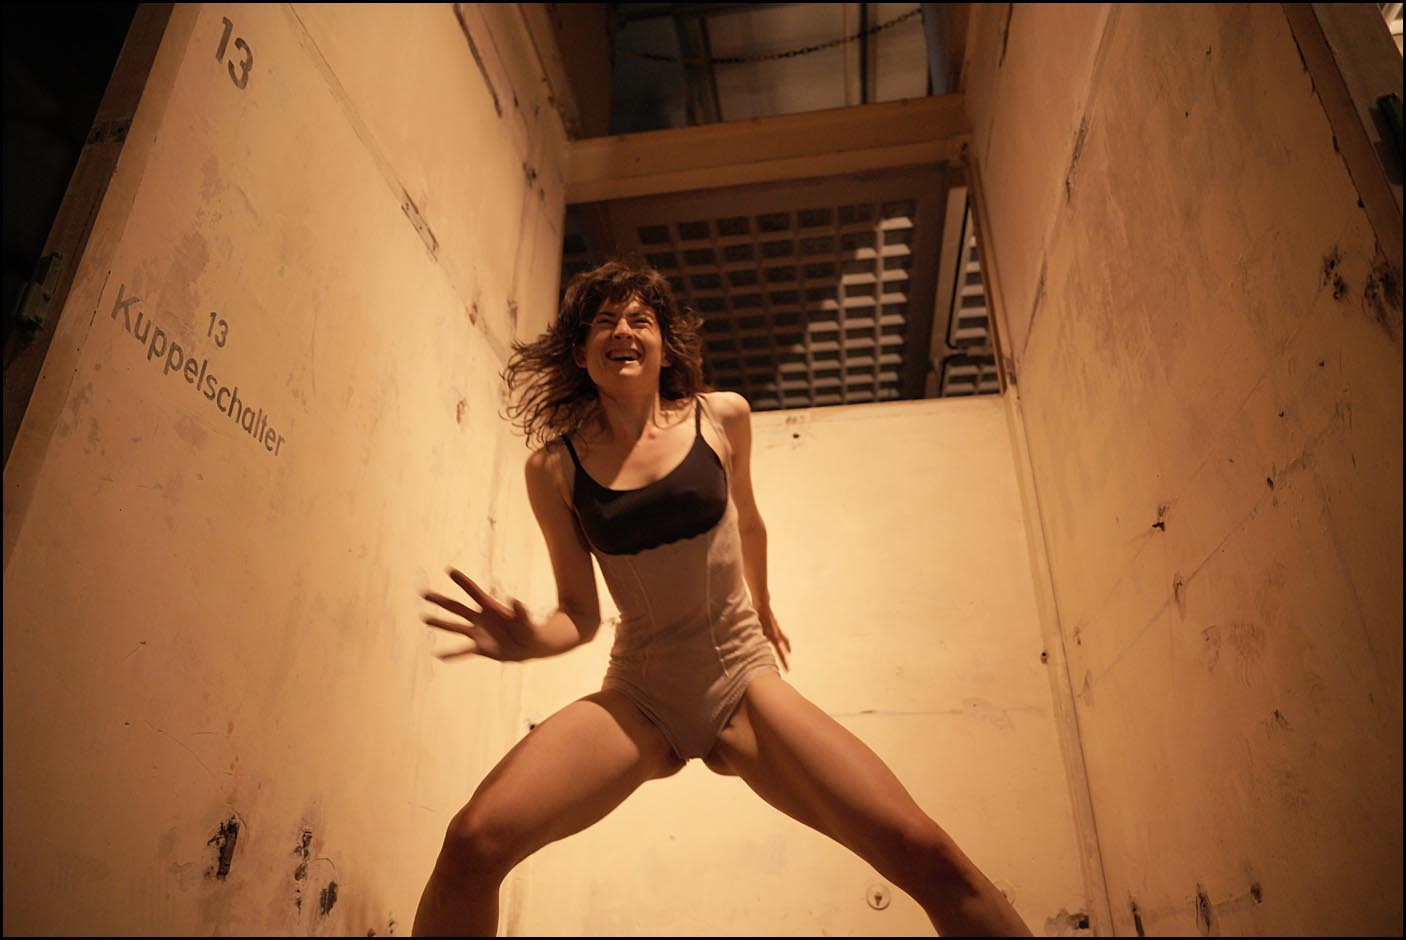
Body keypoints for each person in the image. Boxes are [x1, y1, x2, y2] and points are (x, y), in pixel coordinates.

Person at [412, 259, 1033, 937]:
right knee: (472, 843)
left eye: (639, 319)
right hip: (641, 692)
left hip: (740, 676)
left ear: (665, 346)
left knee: (925, 851)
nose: (623, 330)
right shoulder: (554, 468)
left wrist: (762, 607)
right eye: (604, 322)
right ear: (580, 353)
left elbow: (751, 522)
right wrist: (530, 639)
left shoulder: (722, 417)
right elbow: (579, 615)